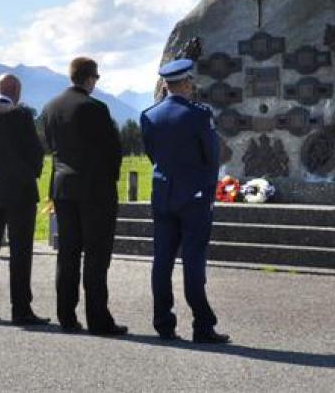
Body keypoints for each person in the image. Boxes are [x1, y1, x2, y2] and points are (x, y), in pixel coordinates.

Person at [141, 59, 229, 344]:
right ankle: (202, 325)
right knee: (193, 260)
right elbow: (212, 158)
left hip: (163, 196)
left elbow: (153, 155)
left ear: (166, 85)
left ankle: (163, 323)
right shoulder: (199, 115)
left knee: (162, 260)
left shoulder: (149, 116)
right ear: (187, 83)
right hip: (194, 198)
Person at [42, 57, 126, 335]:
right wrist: (109, 179)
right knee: (96, 255)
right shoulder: (96, 108)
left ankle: (66, 315)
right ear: (90, 78)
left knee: (67, 254)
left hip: (63, 188)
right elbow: (113, 150)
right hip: (95, 190)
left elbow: (52, 148)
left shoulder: (51, 107)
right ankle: (98, 319)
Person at [0, 74, 49, 325]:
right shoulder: (20, 114)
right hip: (19, 191)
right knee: (20, 251)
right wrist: (32, 173)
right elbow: (35, 151)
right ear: (15, 89)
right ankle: (21, 309)